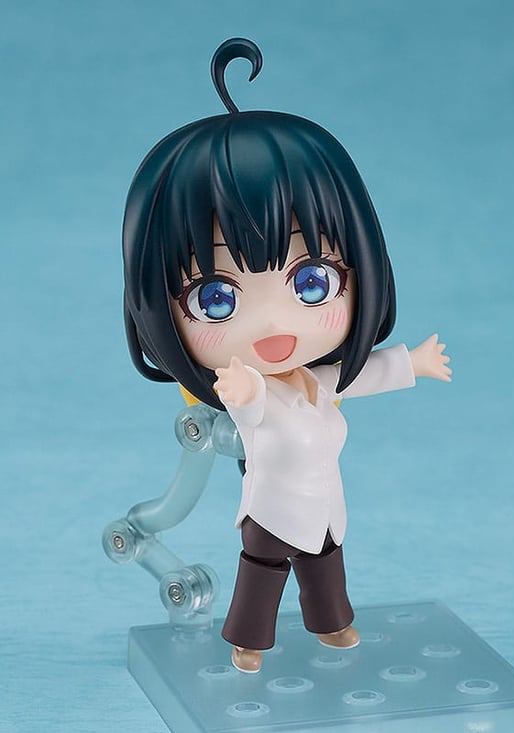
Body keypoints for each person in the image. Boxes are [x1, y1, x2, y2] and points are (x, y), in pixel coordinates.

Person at [122, 38, 451, 673]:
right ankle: (248, 641)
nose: (274, 324)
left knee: (326, 564)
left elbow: (364, 375)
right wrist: (242, 392)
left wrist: (414, 362)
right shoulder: (257, 392)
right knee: (263, 571)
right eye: (216, 298)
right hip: (271, 510)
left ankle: (334, 625)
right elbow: (247, 411)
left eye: (311, 282)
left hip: (323, 505)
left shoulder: (318, 381)